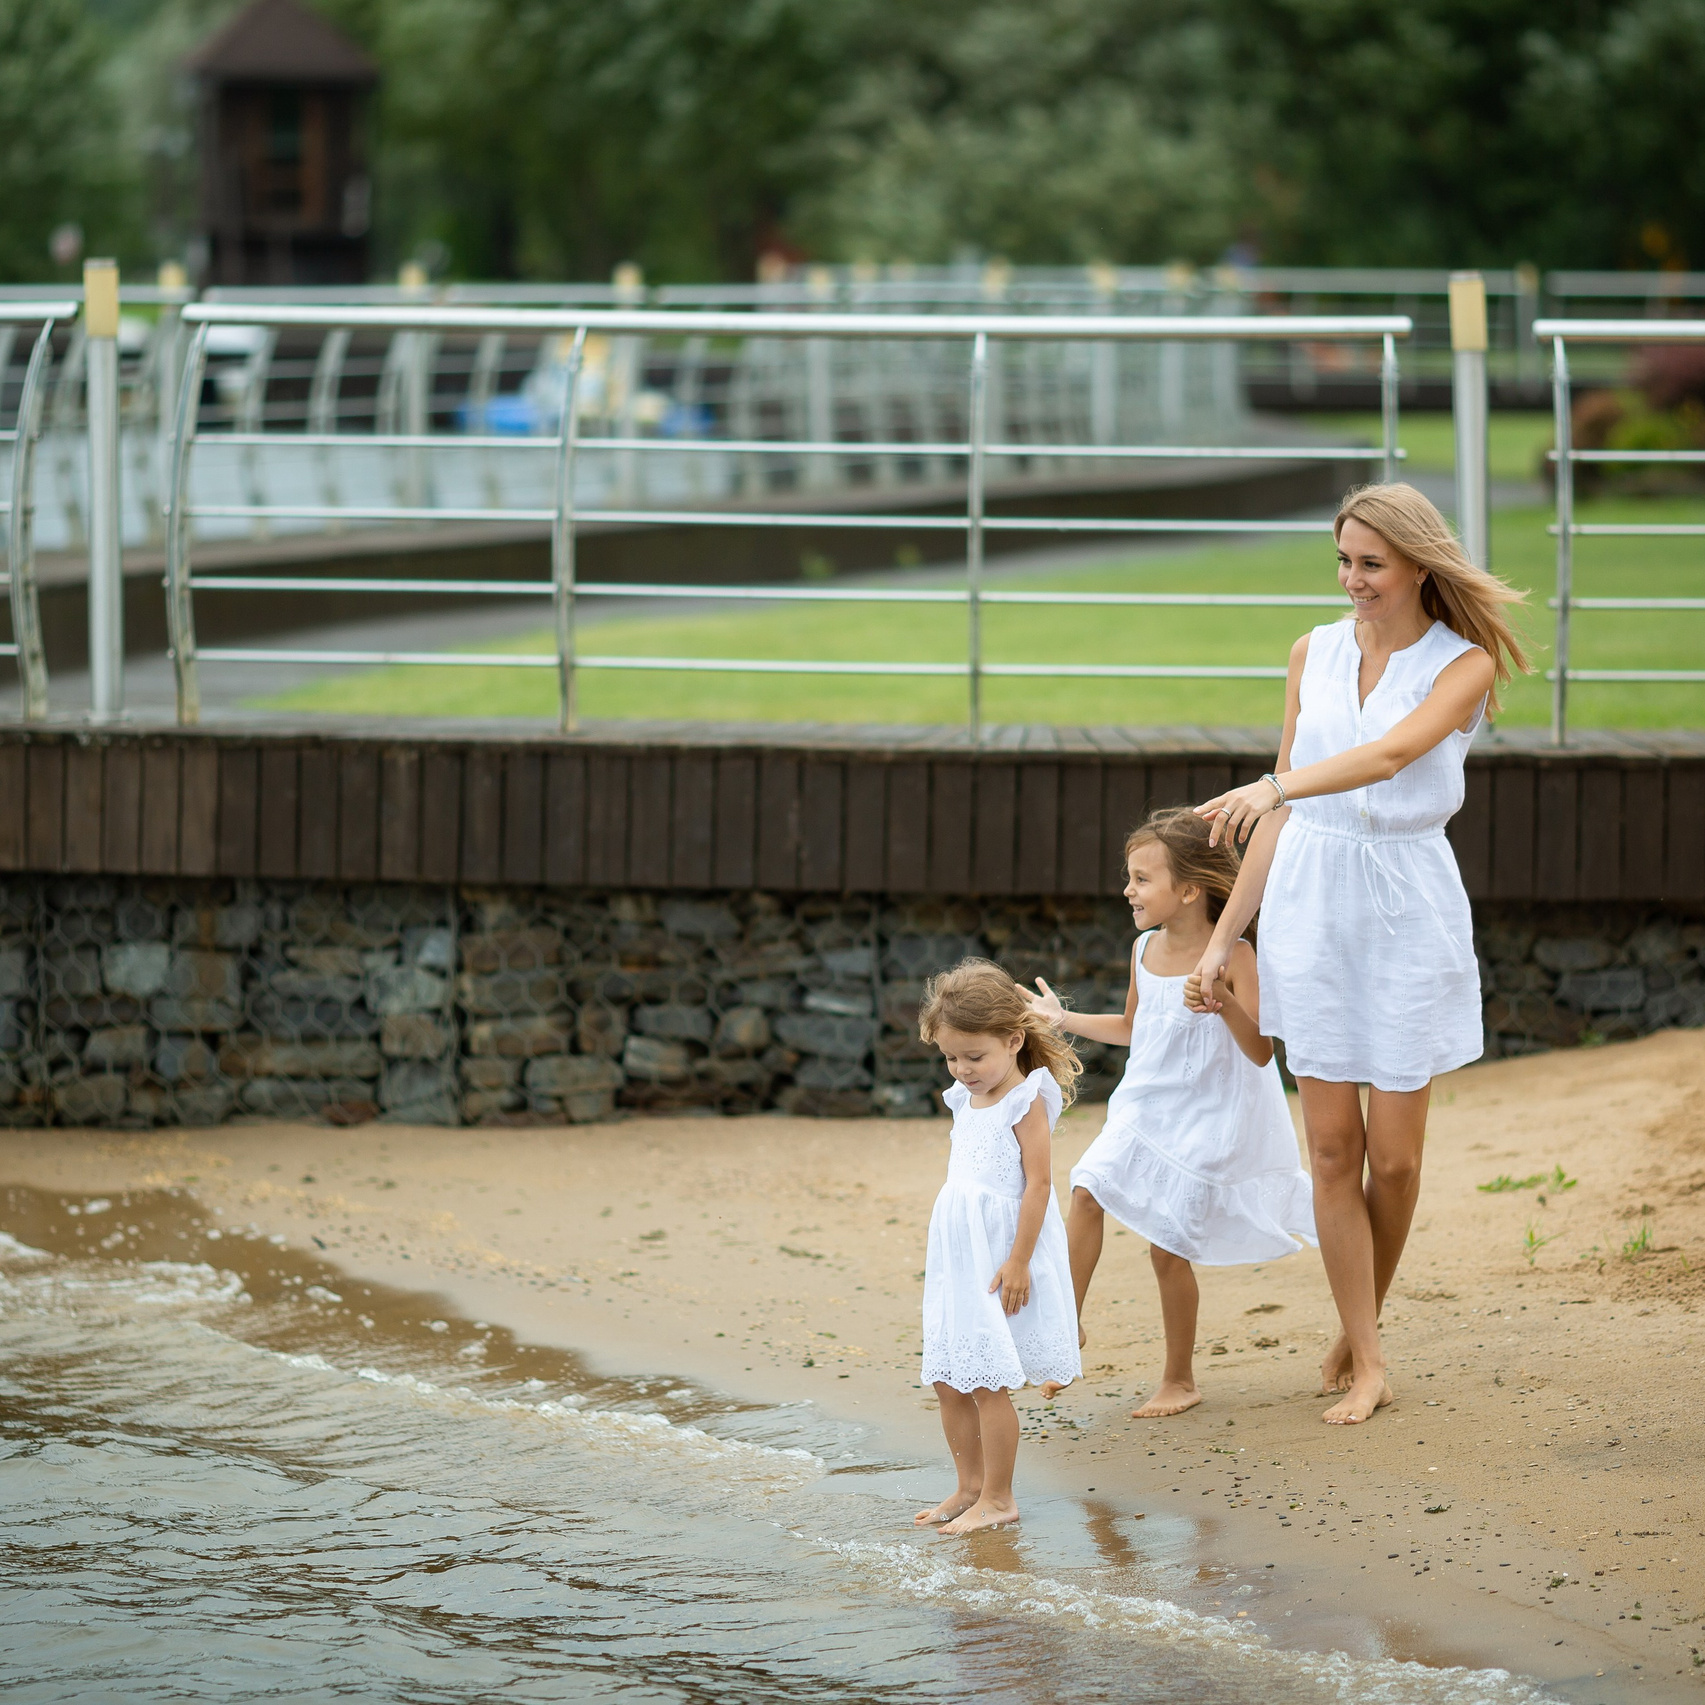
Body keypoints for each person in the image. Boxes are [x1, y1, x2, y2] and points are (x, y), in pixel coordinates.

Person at [1190, 482, 1530, 1426]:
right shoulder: (1313, 650)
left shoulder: (1460, 666)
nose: (1352, 582)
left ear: (1419, 565)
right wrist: (1224, 940)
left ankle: (1358, 1316)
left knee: (1399, 1162)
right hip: (1310, 900)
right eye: (1342, 561)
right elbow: (1282, 816)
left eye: (1370, 564)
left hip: (1405, 904)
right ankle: (1369, 1356)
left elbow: (1387, 758)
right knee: (1331, 1149)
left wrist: (1274, 781)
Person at [1024, 808, 1315, 1417]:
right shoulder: (1143, 950)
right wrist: (1062, 1020)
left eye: (1140, 878)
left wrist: (1222, 1002)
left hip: (1212, 1114)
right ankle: (1064, 1332)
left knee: (1167, 1245)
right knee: (1086, 1188)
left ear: (1188, 889)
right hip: (1146, 1104)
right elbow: (1134, 1026)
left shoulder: (1233, 955)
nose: (1128, 890)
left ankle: (1179, 1379)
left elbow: (1262, 1050)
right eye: (1128, 877)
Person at [914, 959, 1082, 1535]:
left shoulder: (1024, 1099)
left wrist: (1017, 1262)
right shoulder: (964, 1098)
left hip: (1003, 1252)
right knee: (948, 1374)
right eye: (951, 1057)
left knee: (987, 1378)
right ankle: (967, 1486)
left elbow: (1038, 1185)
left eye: (974, 1056)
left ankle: (1000, 1496)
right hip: (958, 1252)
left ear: (1013, 1041)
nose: (962, 1070)